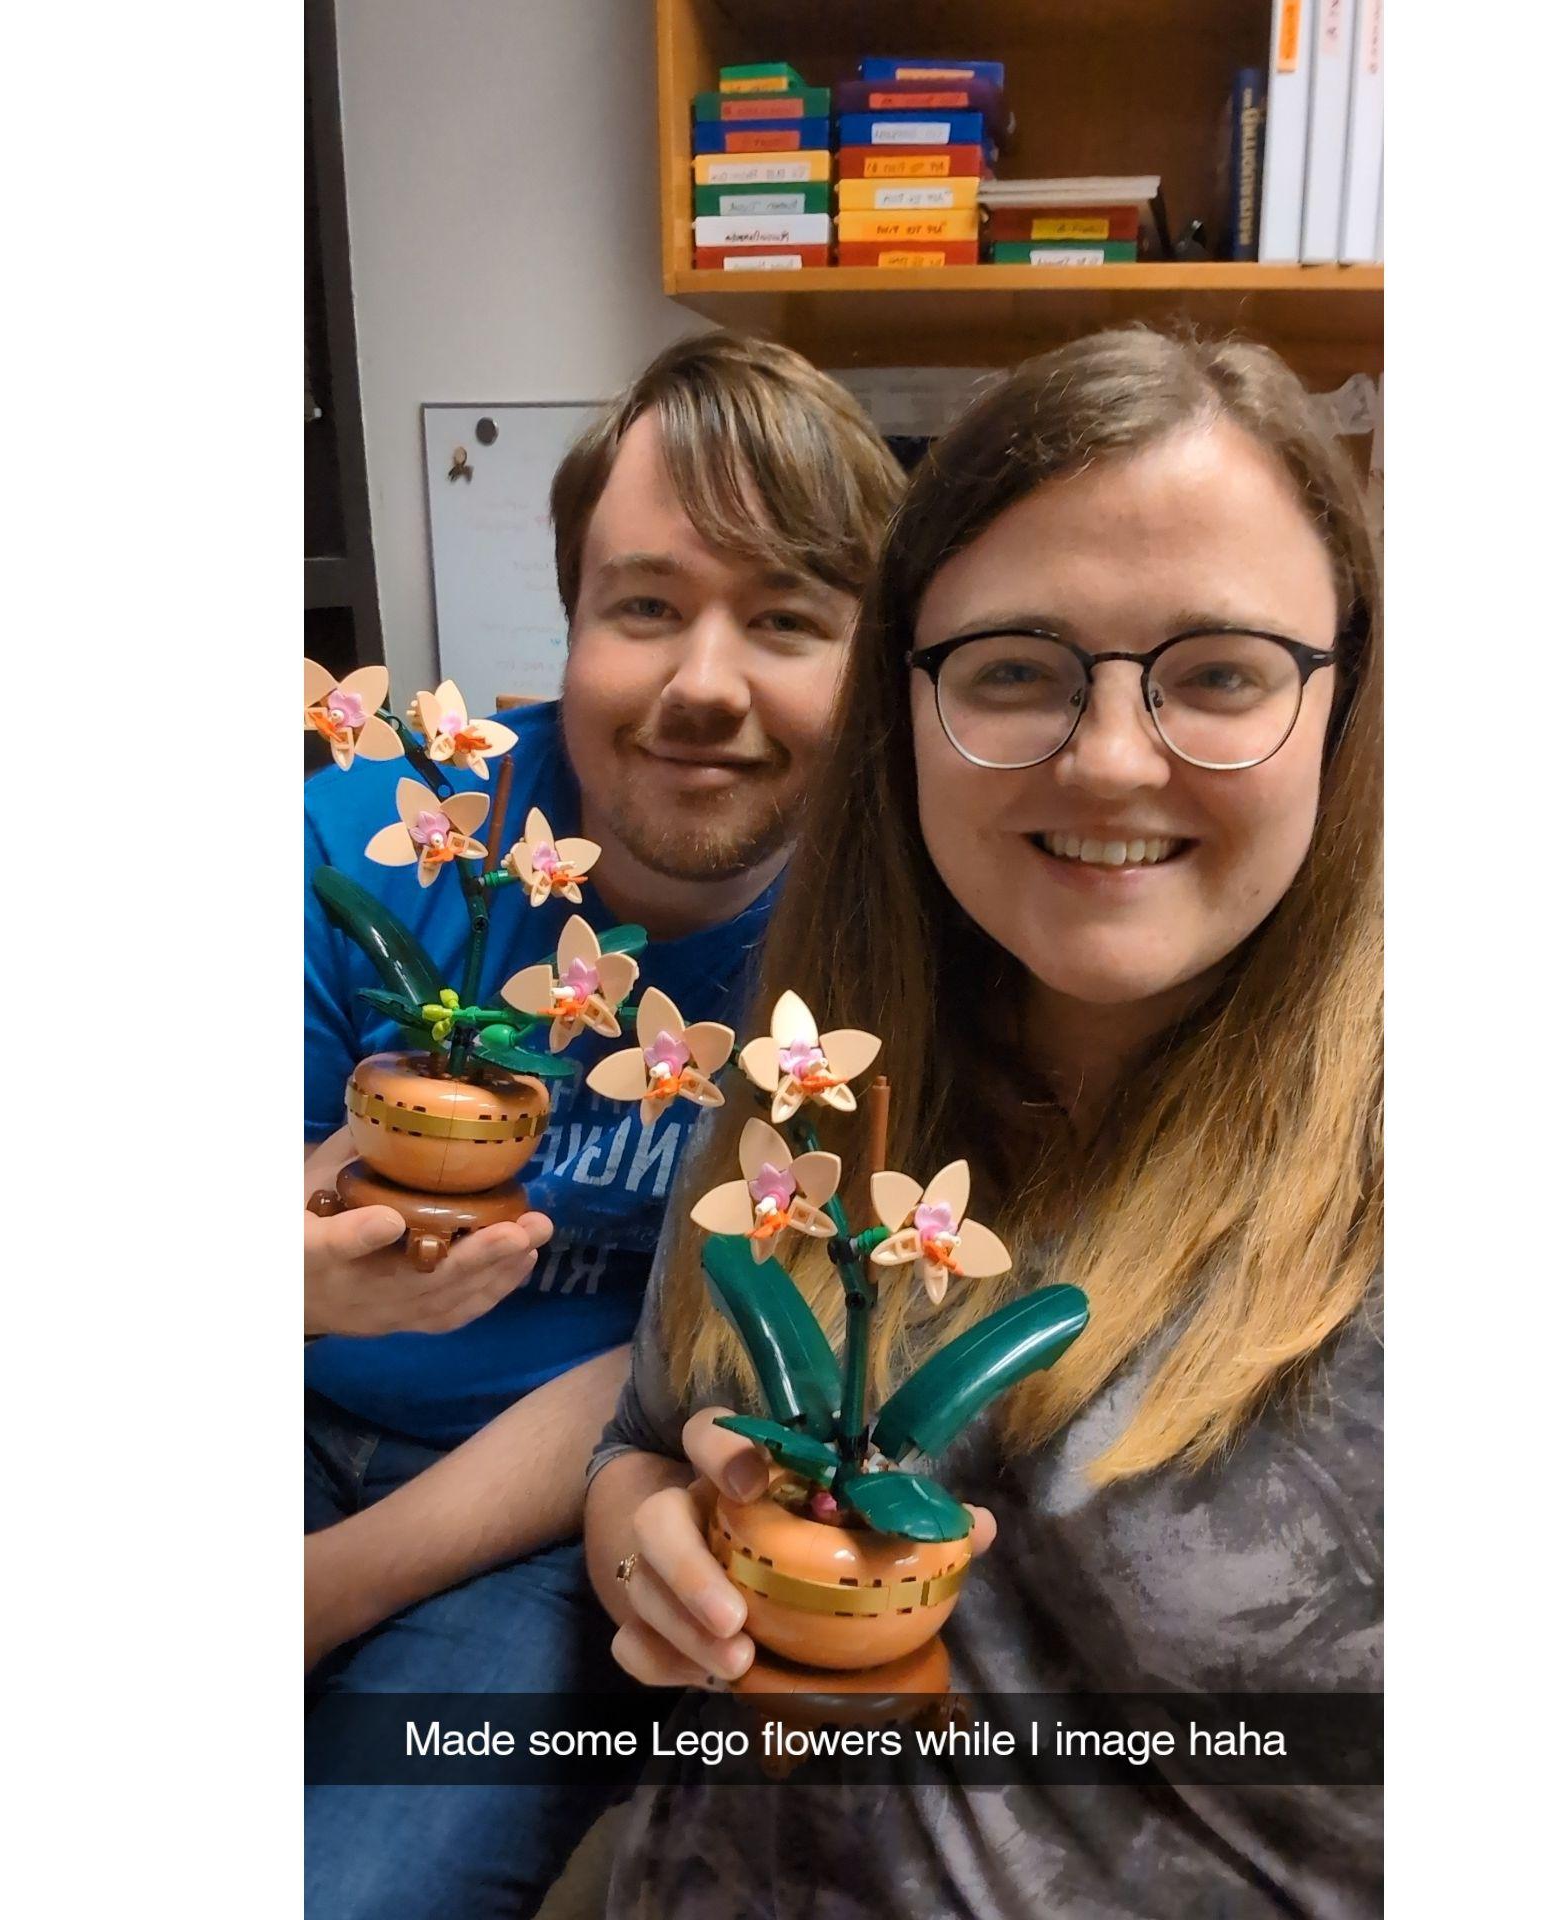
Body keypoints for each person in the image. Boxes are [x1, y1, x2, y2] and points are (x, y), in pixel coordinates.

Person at [584, 325, 1384, 1917]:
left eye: (1220, 672)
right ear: (903, 706)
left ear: (1348, 703)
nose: (1106, 760)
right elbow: (645, 1437)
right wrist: (651, 1551)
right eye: (1014, 669)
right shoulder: (810, 1073)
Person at [302, 329, 904, 1920]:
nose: (705, 686)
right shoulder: (371, 840)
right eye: (645, 606)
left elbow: (680, 1376)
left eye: (786, 619)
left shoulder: (875, 977)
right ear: (567, 622)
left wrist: (307, 1600)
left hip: (537, 1532)